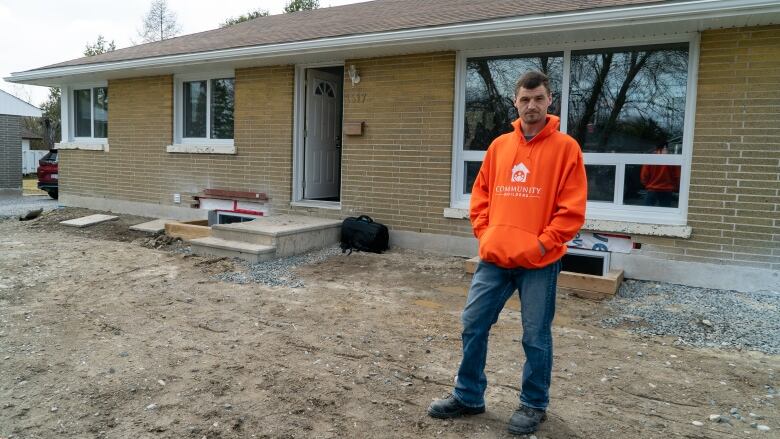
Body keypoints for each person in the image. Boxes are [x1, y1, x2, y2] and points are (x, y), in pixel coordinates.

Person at [427, 70, 587, 435]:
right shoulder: (500, 146)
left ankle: (533, 405)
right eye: (525, 99)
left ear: (550, 101)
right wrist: (485, 235)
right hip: (495, 259)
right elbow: (480, 196)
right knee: (473, 325)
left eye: (539, 99)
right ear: (515, 102)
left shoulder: (566, 149)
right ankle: (468, 396)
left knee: (535, 336)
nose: (532, 105)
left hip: (539, 263)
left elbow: (572, 210)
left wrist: (542, 243)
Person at [640, 143, 680, 207]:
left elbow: (644, 176)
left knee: (647, 212)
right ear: (665, 148)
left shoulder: (650, 158)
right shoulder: (672, 159)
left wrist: (647, 185)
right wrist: (675, 187)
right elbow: (677, 177)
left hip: (652, 189)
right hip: (666, 190)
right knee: (664, 213)